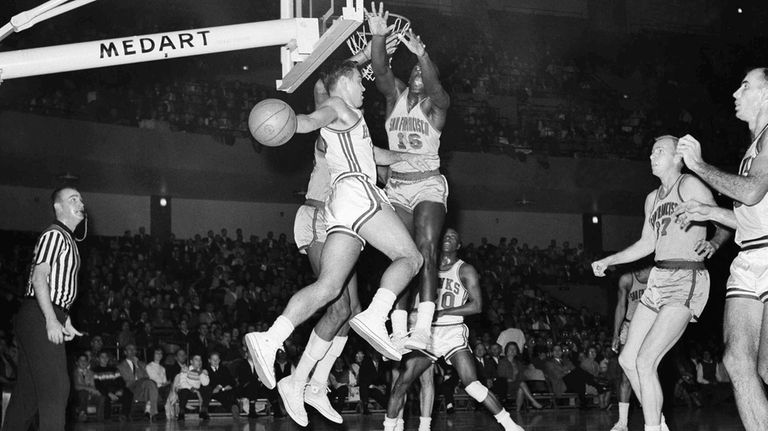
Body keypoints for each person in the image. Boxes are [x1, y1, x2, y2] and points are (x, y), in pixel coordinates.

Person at [245, 59, 434, 395]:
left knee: (330, 288)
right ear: (346, 81)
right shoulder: (337, 105)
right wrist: (292, 123)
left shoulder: (350, 119)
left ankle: (269, 338)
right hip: (358, 192)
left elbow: (371, 152)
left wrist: (406, 158)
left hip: (340, 206)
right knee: (412, 258)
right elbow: (310, 120)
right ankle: (376, 316)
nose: (365, 88)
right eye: (361, 81)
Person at [592, 135, 731, 431]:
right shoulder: (652, 199)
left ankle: (653, 427)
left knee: (646, 360)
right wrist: (610, 260)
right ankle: (660, 423)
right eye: (651, 151)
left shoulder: (689, 185)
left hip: (687, 277)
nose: (652, 156)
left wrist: (715, 243)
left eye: (659, 151)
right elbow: (647, 243)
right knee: (628, 359)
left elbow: (722, 221)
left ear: (677, 157)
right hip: (658, 278)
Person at [672, 67, 768, 431]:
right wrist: (708, 211)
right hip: (750, 254)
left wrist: (697, 164)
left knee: (767, 367)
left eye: (746, 85)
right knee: (737, 360)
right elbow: (752, 214)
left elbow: (750, 191)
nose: (735, 93)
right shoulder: (753, 146)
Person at [383, 229, 524, 431]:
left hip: (452, 331)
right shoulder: (424, 267)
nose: (447, 238)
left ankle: (510, 425)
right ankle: (390, 427)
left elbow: (476, 306)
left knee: (472, 384)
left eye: (453, 237)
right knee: (402, 383)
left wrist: (441, 312)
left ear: (458, 246)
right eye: (445, 236)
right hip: (426, 332)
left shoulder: (465, 270)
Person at [369, 3, 451, 351]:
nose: (418, 72)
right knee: (403, 258)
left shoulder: (436, 106)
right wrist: (377, 35)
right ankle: (399, 329)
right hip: (398, 185)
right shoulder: (395, 96)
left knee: (427, 250)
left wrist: (423, 53)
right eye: (415, 69)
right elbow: (380, 69)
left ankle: (424, 327)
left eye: (423, 70)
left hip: (428, 183)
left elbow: (438, 92)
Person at [1, 187, 86, 431]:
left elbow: (59, 286)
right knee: (57, 387)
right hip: (39, 314)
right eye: (73, 199)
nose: (80, 203)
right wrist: (50, 319)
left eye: (81, 199)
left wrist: (64, 318)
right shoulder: (55, 234)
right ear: (58, 207)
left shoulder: (68, 239)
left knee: (27, 396)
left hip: (43, 312)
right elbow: (39, 278)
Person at [610, 266, 651, 431]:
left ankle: (657, 420)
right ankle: (622, 422)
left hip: (650, 327)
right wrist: (615, 333)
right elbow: (620, 306)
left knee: (649, 374)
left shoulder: (658, 275)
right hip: (629, 326)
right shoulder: (627, 278)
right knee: (625, 375)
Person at [117, 344, 160, 421]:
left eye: (134, 349)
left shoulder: (142, 364)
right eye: (129, 349)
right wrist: (140, 380)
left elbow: (146, 377)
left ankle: (152, 412)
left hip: (142, 387)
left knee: (151, 384)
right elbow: (126, 380)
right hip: (130, 388)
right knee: (151, 384)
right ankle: (152, 413)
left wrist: (137, 365)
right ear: (125, 352)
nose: (132, 351)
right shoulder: (120, 366)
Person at [176, 354, 210, 421]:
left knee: (208, 389)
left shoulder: (202, 371)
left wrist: (201, 373)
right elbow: (183, 383)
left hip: (197, 392)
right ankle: (181, 413)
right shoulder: (186, 369)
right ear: (191, 362)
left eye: (200, 360)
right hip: (188, 390)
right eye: (196, 359)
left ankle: (203, 411)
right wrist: (193, 389)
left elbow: (205, 383)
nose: (199, 361)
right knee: (184, 390)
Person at [72, 353, 105, 422]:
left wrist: (94, 391)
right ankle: (83, 414)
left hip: (90, 395)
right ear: (77, 362)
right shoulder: (74, 372)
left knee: (101, 397)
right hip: (77, 396)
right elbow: (77, 386)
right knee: (83, 393)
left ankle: (99, 418)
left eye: (85, 360)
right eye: (81, 360)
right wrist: (89, 389)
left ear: (87, 363)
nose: (83, 362)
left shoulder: (91, 373)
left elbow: (93, 385)